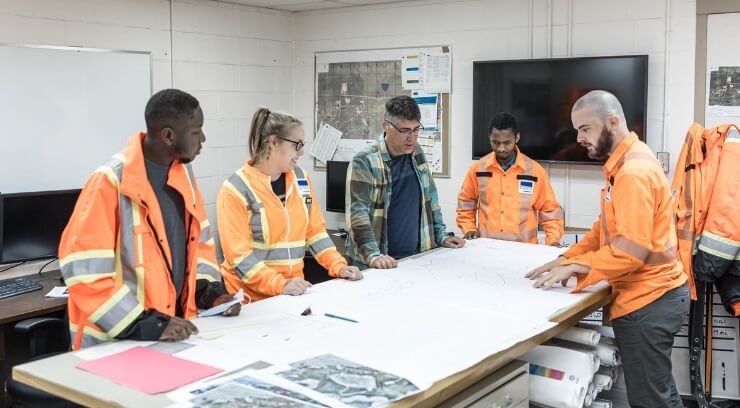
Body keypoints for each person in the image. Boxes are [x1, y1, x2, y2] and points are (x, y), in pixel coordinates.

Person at [526, 90, 689, 408]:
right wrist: (566, 257)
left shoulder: (633, 173)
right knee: (660, 392)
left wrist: (580, 267)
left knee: (650, 399)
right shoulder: (624, 163)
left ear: (612, 122)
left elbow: (631, 251)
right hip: (654, 294)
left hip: (649, 299)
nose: (579, 138)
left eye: (585, 129)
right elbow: (603, 232)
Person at [59, 89, 241, 350]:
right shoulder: (110, 181)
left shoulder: (184, 176)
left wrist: (210, 292)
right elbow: (84, 271)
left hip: (170, 335)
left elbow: (198, 245)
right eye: (196, 130)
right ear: (168, 135)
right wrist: (146, 323)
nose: (203, 138)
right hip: (115, 342)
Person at [217, 108, 362, 301]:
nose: (302, 151)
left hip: (292, 294)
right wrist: (281, 284)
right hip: (251, 301)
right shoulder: (236, 189)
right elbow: (240, 258)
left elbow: (315, 233)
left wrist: (339, 265)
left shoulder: (301, 179)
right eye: (297, 145)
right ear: (273, 143)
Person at [345, 95, 465, 269]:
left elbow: (430, 198)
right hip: (378, 263)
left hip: (416, 259)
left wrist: (441, 235)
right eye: (404, 130)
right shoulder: (365, 161)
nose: (412, 137)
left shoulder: (416, 153)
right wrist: (373, 255)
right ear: (386, 126)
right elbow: (357, 215)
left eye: (416, 129)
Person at [456, 112, 564, 245]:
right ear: (489, 138)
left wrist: (552, 240)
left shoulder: (535, 172)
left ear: (517, 138)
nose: (501, 148)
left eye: (507, 143)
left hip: (524, 250)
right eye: (496, 142)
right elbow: (465, 203)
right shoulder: (478, 169)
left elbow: (550, 211)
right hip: (486, 248)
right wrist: (469, 228)